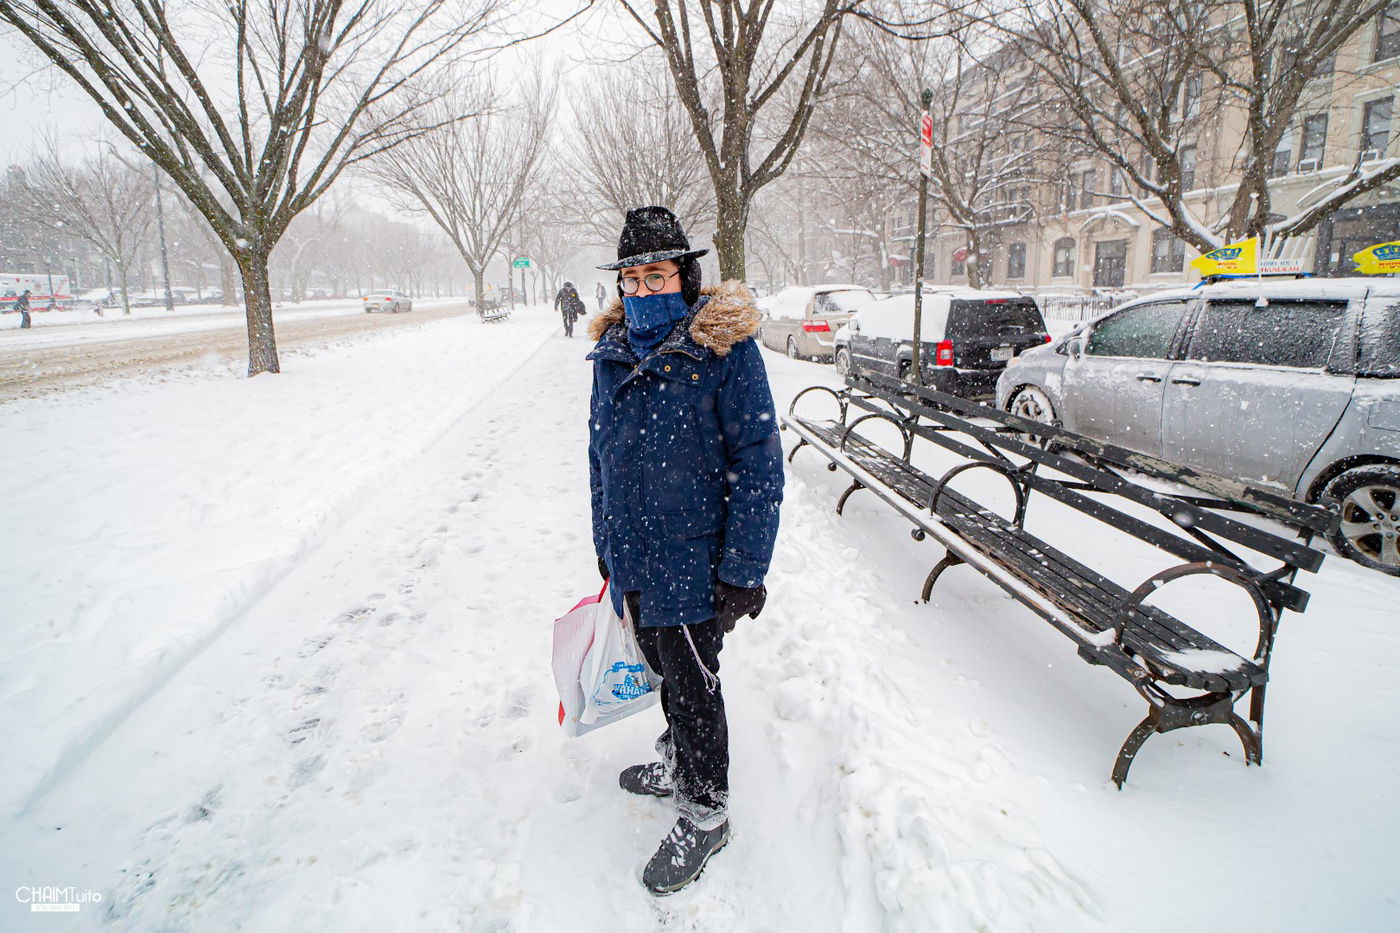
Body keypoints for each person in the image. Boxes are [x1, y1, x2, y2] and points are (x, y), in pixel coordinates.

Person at [586, 206, 783, 895]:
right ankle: (676, 762)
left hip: (695, 564)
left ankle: (706, 812)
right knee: (663, 673)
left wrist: (744, 570)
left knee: (695, 687)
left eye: (657, 276)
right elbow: (599, 457)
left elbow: (758, 461)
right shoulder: (611, 354)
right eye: (632, 280)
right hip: (636, 558)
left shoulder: (723, 350)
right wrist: (606, 543)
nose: (643, 290)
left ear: (685, 277)